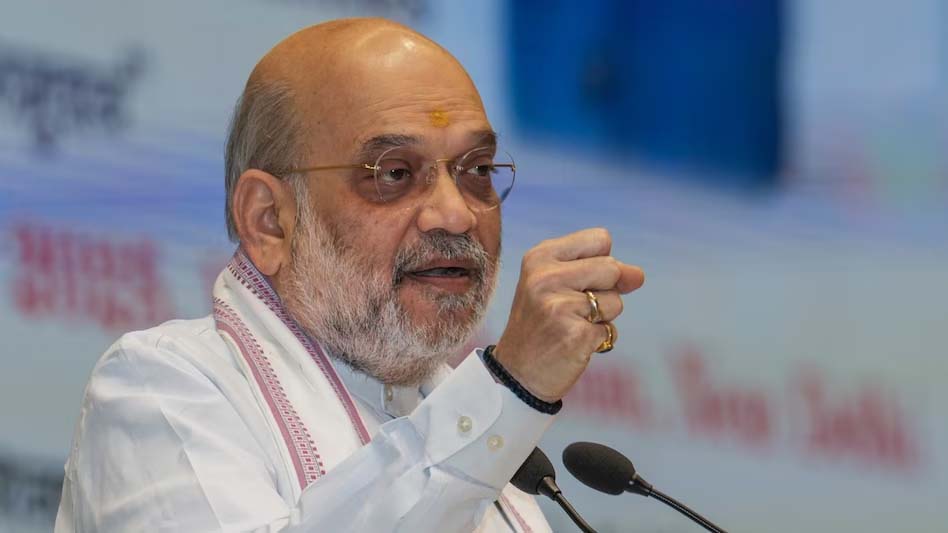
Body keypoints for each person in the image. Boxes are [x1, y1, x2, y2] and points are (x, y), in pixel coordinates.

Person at [54, 18, 644, 532]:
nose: (457, 214)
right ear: (269, 220)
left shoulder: (496, 464)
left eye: (477, 169)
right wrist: (509, 390)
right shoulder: (160, 389)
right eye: (393, 173)